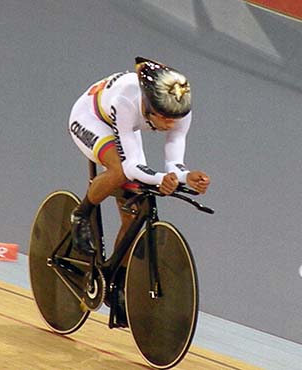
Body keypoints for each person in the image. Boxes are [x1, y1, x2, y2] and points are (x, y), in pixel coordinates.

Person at [68, 56, 210, 326]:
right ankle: (81, 214)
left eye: (175, 118)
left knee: (132, 217)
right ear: (148, 103)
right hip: (92, 117)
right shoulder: (127, 101)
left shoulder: (179, 110)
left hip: (128, 128)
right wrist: (160, 179)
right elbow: (132, 166)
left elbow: (174, 162)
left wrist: (186, 176)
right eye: (165, 118)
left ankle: (116, 285)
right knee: (119, 171)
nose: (170, 124)